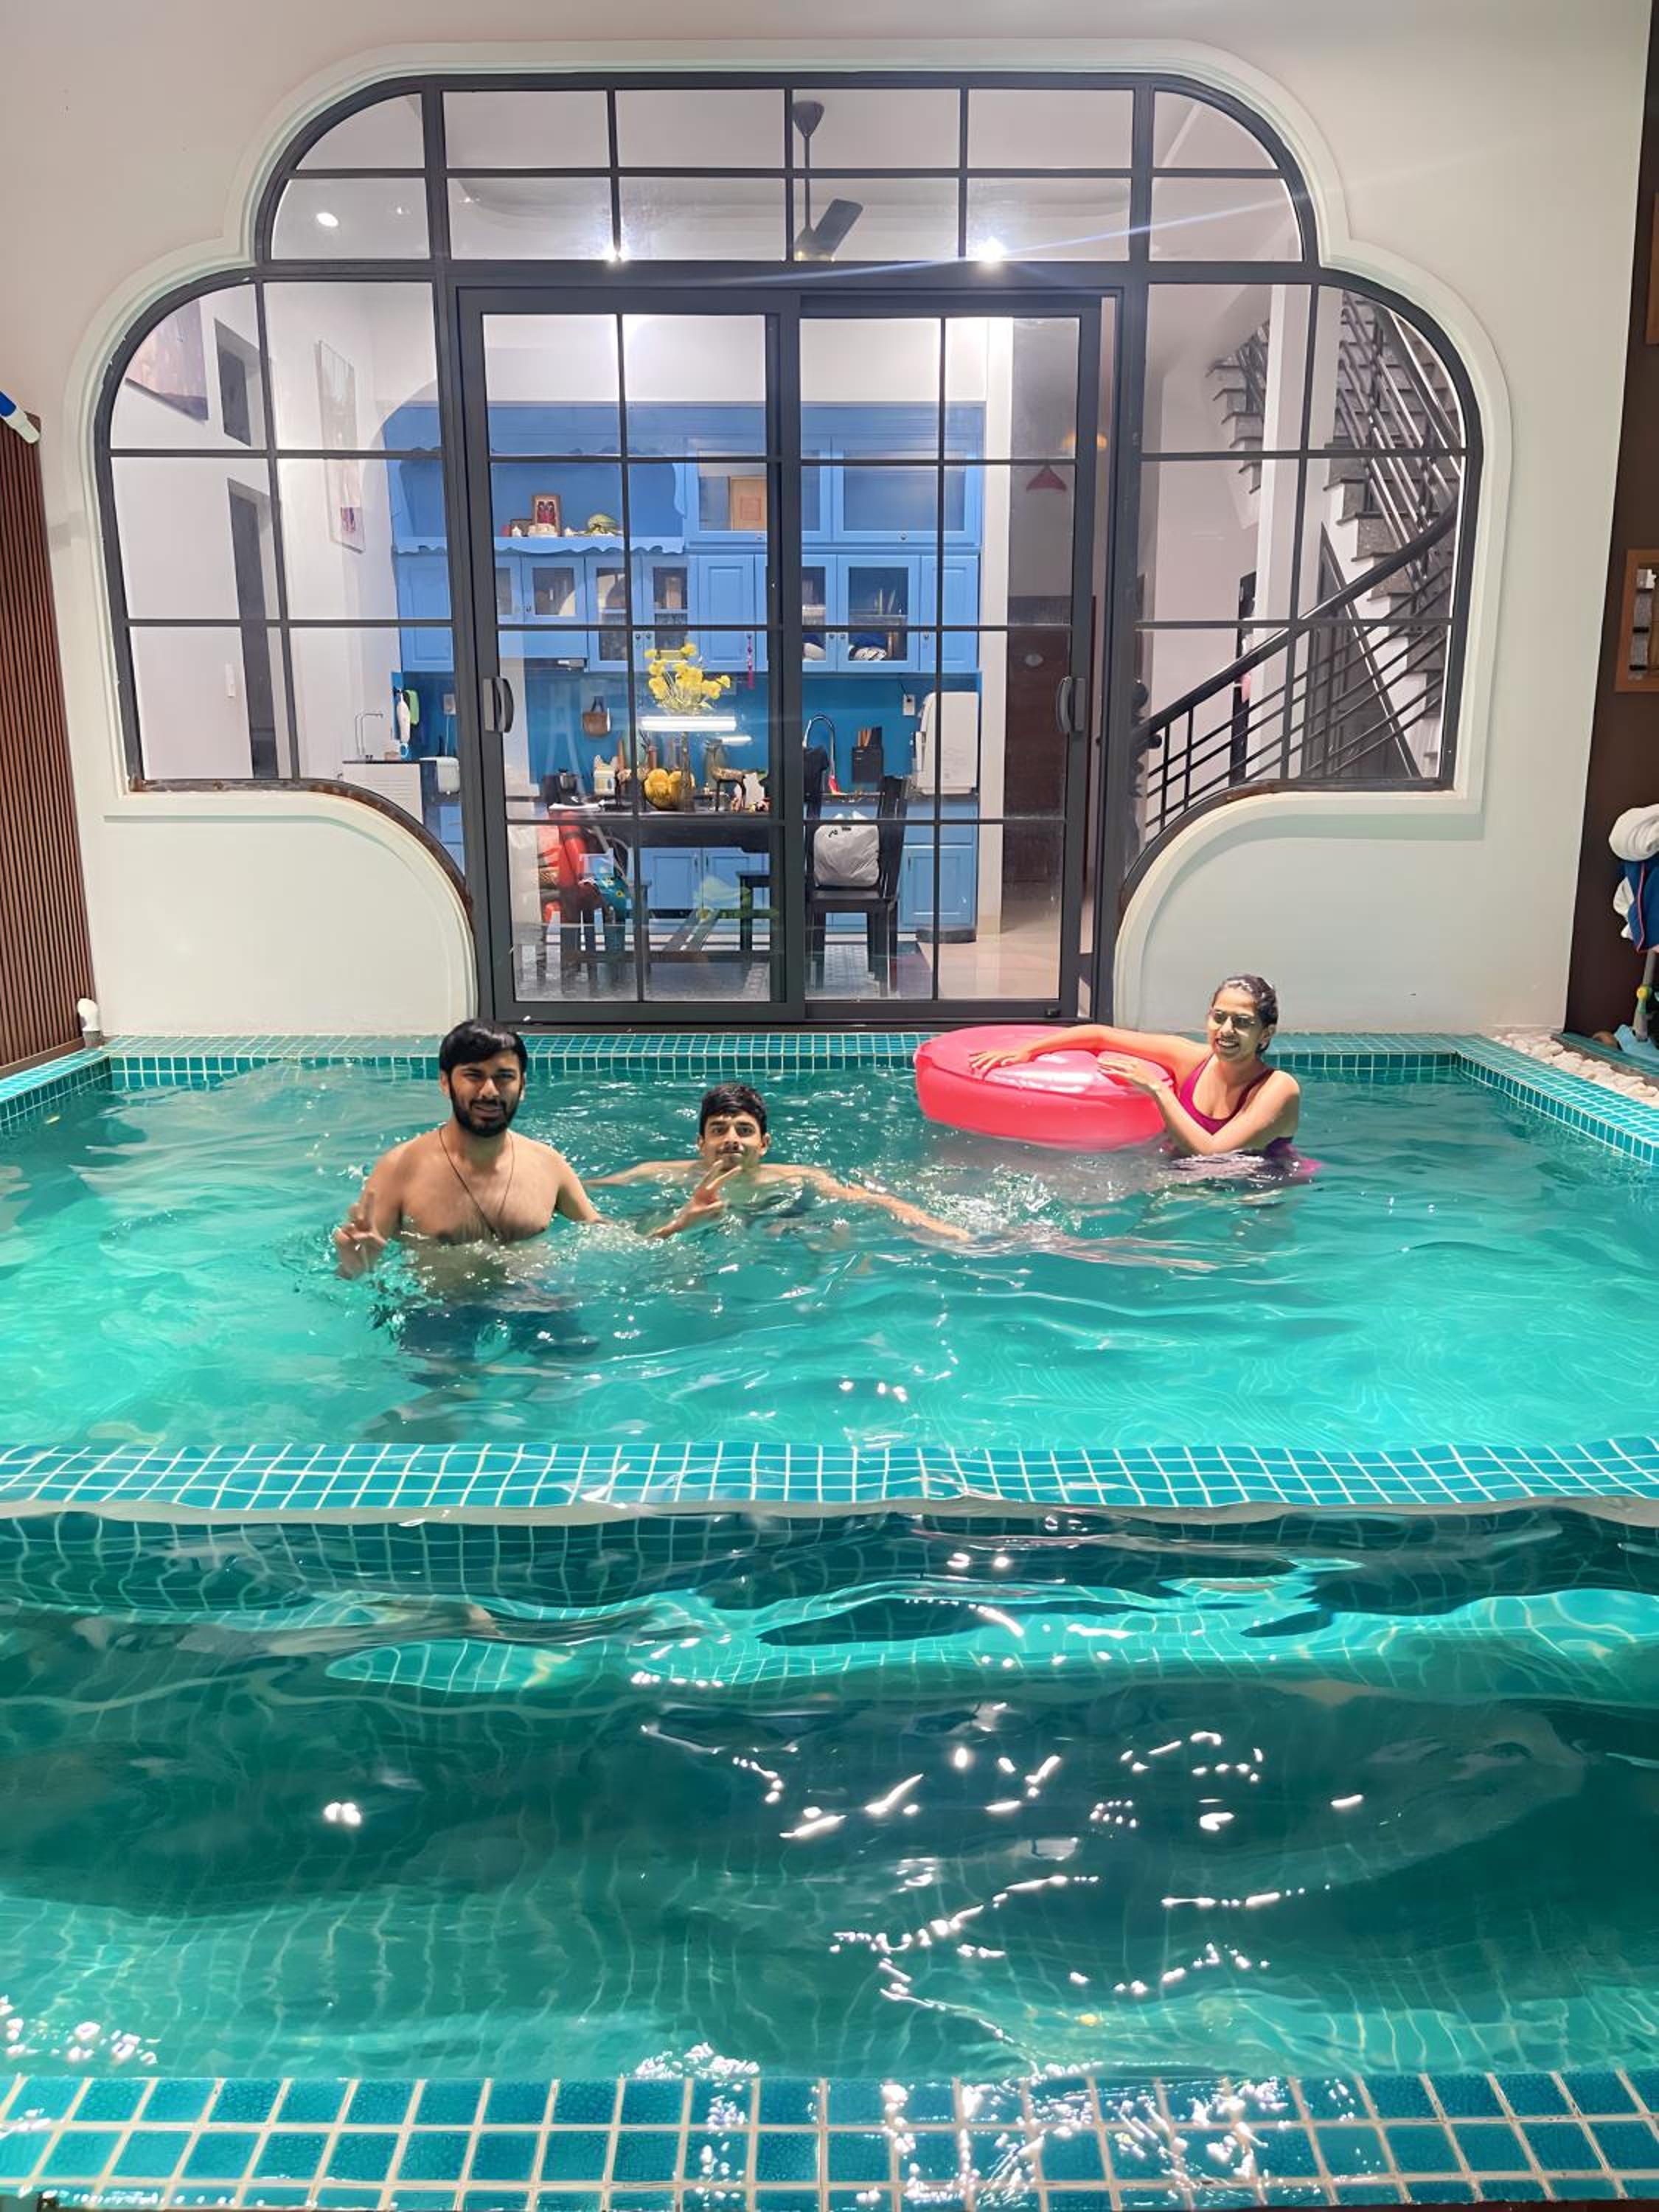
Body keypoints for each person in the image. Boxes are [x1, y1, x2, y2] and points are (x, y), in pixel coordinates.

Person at [333, 1020, 599, 1276]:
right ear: (445, 1082)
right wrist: (354, 1267)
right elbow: (359, 1268)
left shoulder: (549, 1164)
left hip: (539, 1301)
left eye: (504, 1077)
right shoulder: (400, 1168)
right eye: (474, 1076)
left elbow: (602, 1236)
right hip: (439, 1306)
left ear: (522, 1086)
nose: (490, 1091)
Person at [969, 975, 1300, 1160]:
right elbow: (1100, 1036)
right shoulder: (1190, 1058)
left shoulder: (1278, 1088)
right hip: (1186, 1180)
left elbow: (1212, 1154)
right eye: (1219, 1017)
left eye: (1242, 1022)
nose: (1226, 1030)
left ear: (1265, 1034)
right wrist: (1027, 1051)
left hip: (1253, 1196)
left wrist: (1156, 1088)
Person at [594, 1082, 972, 1241]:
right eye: (719, 1130)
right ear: (700, 1143)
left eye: (744, 1130)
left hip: (773, 1226)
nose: (731, 1139)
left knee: (838, 1236)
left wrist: (935, 1225)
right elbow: (584, 1196)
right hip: (693, 1236)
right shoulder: (655, 1175)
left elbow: (873, 1201)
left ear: (764, 1144)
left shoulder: (798, 1178)